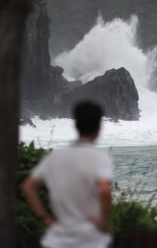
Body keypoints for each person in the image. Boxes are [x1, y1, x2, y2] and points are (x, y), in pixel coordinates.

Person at [22, 101, 113, 248]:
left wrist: (45, 218)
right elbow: (104, 190)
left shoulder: (55, 156)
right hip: (89, 239)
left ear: (75, 125)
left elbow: (28, 187)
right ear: (98, 128)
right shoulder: (99, 157)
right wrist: (103, 222)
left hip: (57, 239)